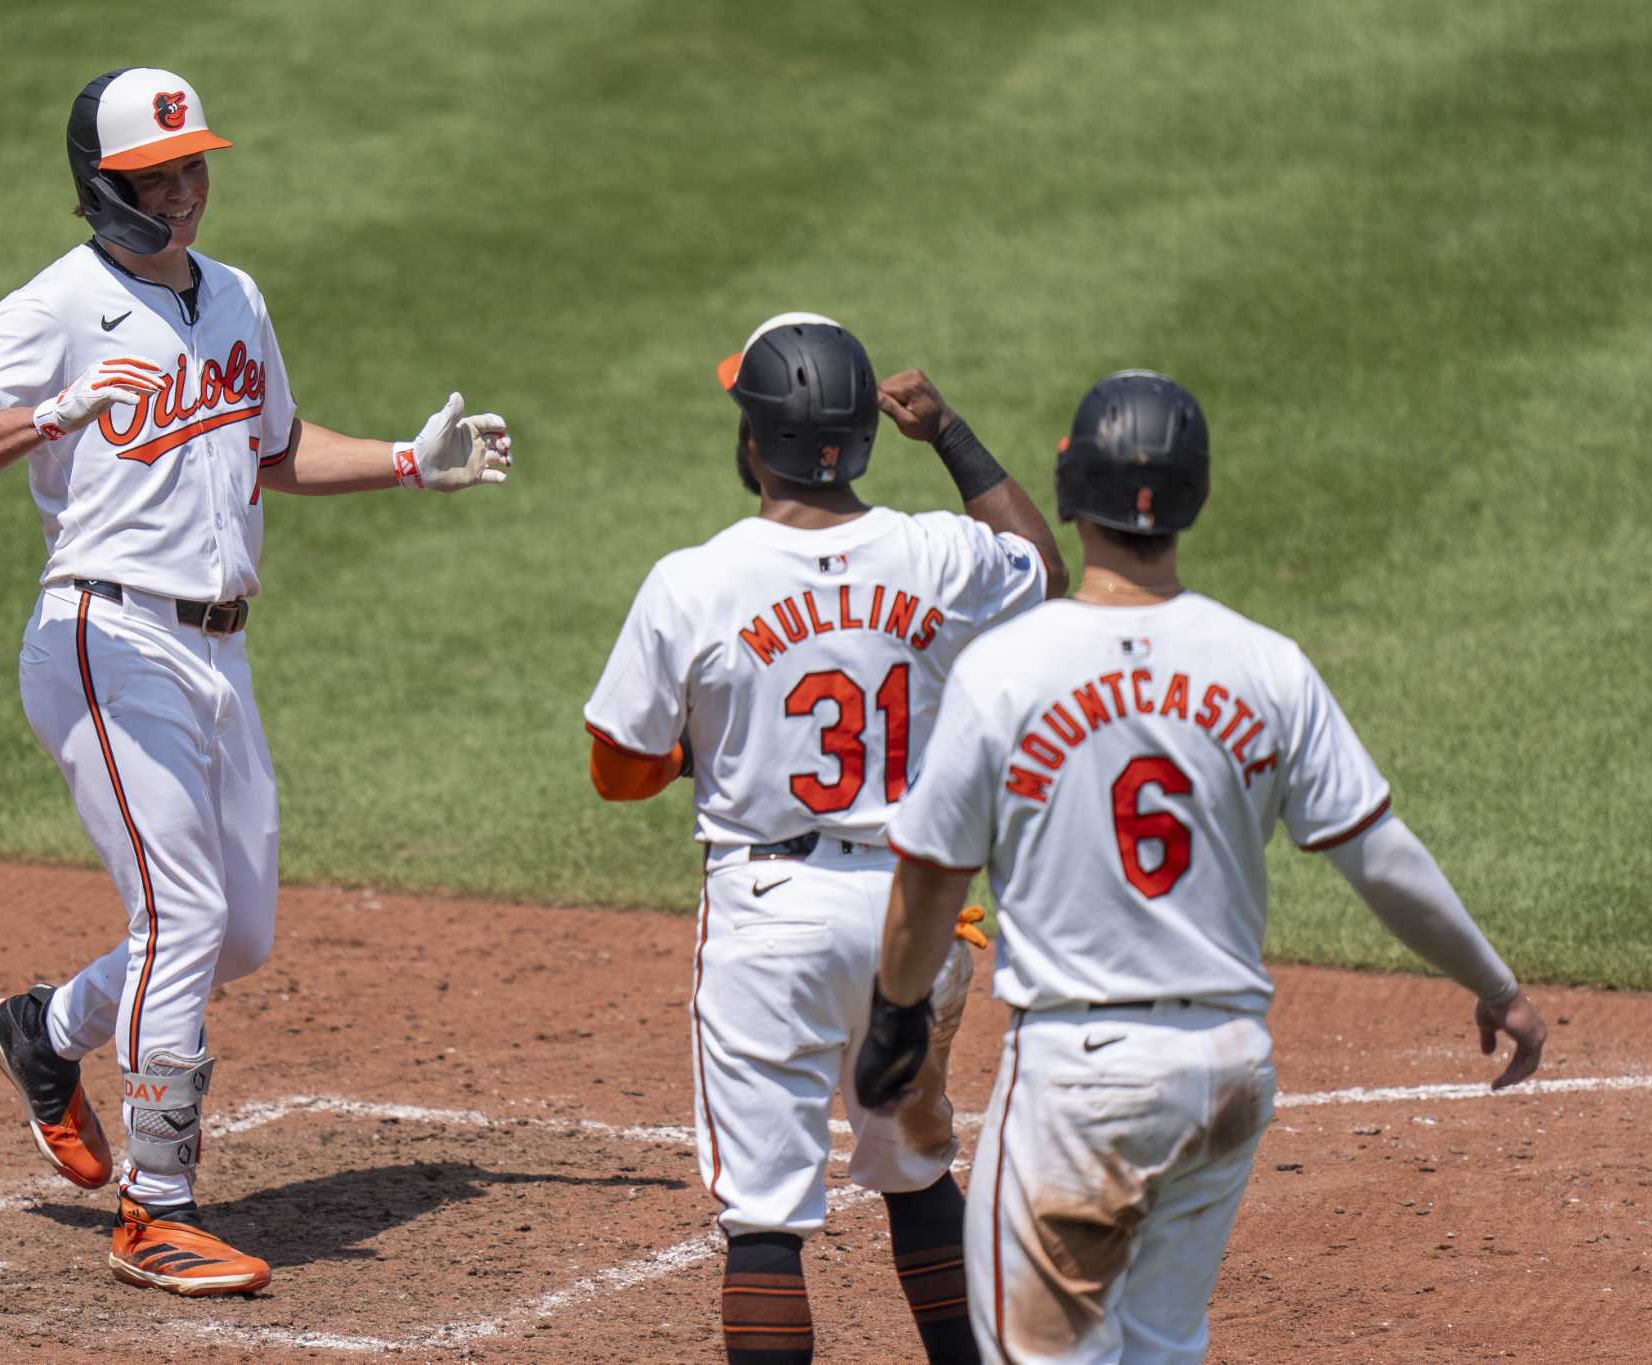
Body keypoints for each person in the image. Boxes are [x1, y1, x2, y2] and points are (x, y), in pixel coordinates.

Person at [0, 67, 512, 1297]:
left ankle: (43, 1030)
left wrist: (404, 461)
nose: (184, 194)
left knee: (235, 934)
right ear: (103, 188)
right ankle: (154, 1212)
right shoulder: (59, 304)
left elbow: (271, 448)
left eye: (193, 169)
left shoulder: (233, 297)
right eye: (157, 177)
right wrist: (49, 414)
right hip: (103, 638)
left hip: (221, 650)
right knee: (180, 920)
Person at [858, 370, 1547, 1363]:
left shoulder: (1006, 671)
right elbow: (1378, 856)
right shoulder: (1263, 663)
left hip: (1077, 1084)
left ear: (1069, 491)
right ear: (1196, 496)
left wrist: (894, 1011)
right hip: (1223, 1073)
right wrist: (1494, 986)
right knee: (1158, 1346)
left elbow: (928, 878)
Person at [584, 312, 1068, 1364]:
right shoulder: (937, 552)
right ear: (856, 442)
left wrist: (701, 755)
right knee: (913, 1176)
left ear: (755, 443)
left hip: (772, 924)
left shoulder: (691, 579)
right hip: (918, 920)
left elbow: (616, 772)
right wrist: (947, 432)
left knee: (764, 1220)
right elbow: (1045, 567)